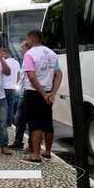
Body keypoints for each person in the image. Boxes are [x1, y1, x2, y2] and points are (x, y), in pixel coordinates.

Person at [21, 30, 62, 165]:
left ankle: (35, 155)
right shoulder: (51, 53)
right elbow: (59, 74)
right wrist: (52, 92)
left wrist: (42, 94)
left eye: (27, 39)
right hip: (49, 91)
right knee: (47, 122)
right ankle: (48, 152)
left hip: (34, 92)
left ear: (31, 39)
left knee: (35, 124)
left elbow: (31, 76)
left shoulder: (29, 54)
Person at [9, 41, 32, 151]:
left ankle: (31, 144)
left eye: (22, 49)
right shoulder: (25, 60)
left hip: (29, 93)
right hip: (23, 93)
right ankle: (18, 142)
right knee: (20, 119)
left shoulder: (31, 59)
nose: (20, 51)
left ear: (27, 48)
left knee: (30, 120)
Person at [1, 47, 21, 126]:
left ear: (6, 53)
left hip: (4, 87)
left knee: (3, 106)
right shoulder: (16, 63)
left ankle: (4, 122)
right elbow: (19, 75)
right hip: (13, 87)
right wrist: (16, 83)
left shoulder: (4, 62)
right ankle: (9, 122)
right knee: (11, 105)